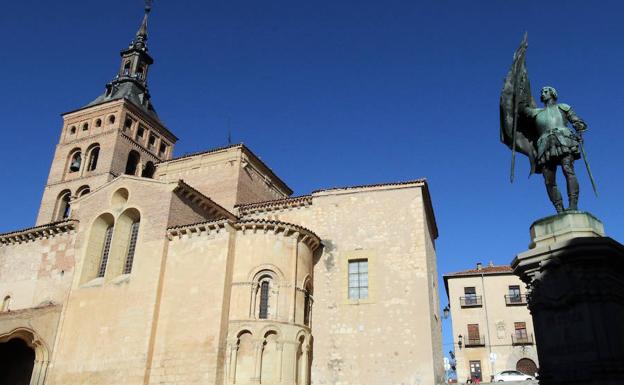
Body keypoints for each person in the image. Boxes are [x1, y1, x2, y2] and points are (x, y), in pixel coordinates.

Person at [522, 86, 587, 213]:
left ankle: (573, 205)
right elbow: (521, 110)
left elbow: (576, 121)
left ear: (553, 94)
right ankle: (559, 208)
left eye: (546, 91)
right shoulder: (536, 112)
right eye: (542, 92)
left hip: (563, 140)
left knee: (568, 170)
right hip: (544, 144)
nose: (543, 93)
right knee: (548, 179)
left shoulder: (563, 107)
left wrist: (579, 127)